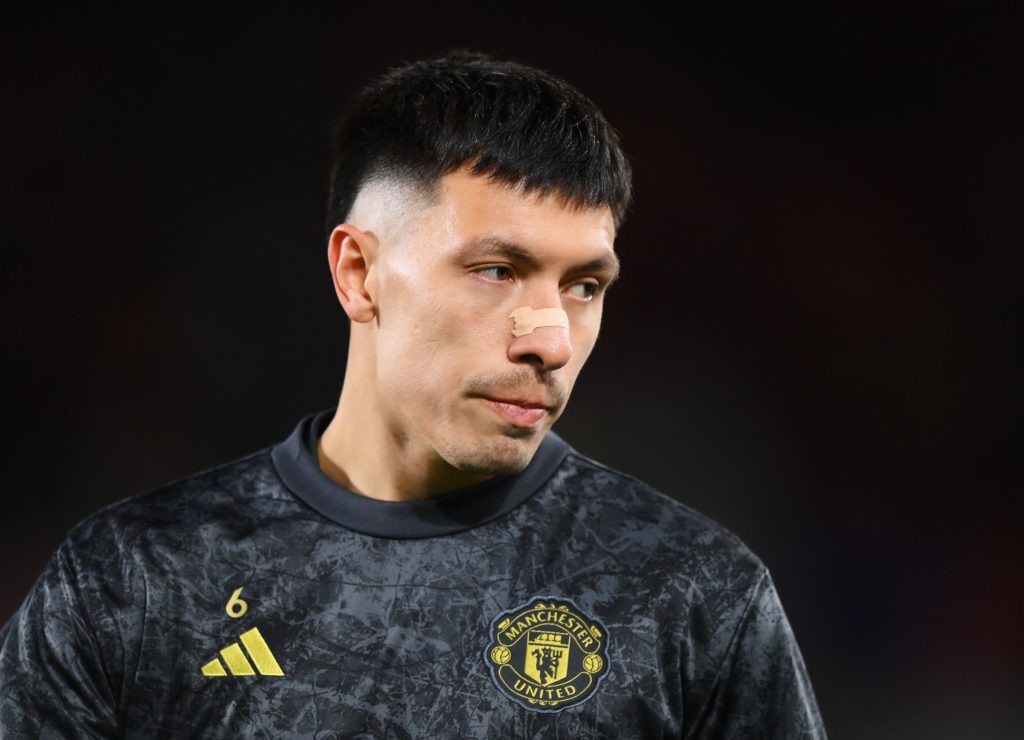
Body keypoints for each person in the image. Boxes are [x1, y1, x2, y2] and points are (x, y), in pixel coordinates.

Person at [0, 50, 826, 737]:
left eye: (584, 284)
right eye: (496, 270)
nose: (551, 337)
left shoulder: (693, 594)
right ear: (359, 274)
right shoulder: (134, 580)